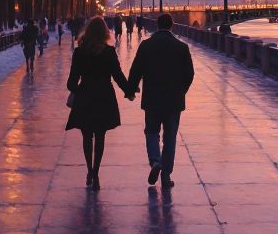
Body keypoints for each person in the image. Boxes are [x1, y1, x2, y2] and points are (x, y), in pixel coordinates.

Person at [66, 16, 135, 189]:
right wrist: (129, 90)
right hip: (104, 97)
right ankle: (96, 173)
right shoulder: (109, 52)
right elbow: (118, 76)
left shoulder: (79, 52)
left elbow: (71, 83)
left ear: (87, 32)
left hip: (85, 97)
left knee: (87, 136)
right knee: (100, 136)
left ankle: (89, 170)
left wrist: (77, 88)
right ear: (104, 32)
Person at [127, 12, 193, 188]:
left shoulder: (146, 46)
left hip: (152, 99)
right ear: (171, 26)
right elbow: (189, 74)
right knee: (170, 137)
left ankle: (155, 161)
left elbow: (136, 70)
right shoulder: (181, 47)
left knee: (151, 132)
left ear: (157, 25)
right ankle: (166, 175)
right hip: (173, 101)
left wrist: (131, 89)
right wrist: (181, 91)